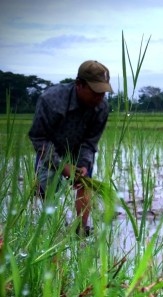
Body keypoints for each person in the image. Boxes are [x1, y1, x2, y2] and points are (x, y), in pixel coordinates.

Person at [29, 60, 113, 236]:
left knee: (85, 183)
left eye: (103, 93)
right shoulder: (51, 100)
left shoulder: (102, 108)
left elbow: (90, 142)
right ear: (79, 85)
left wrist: (83, 165)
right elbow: (38, 137)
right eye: (95, 92)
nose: (100, 98)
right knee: (45, 189)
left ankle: (81, 228)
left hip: (79, 148)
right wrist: (62, 167)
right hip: (51, 147)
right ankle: (49, 230)